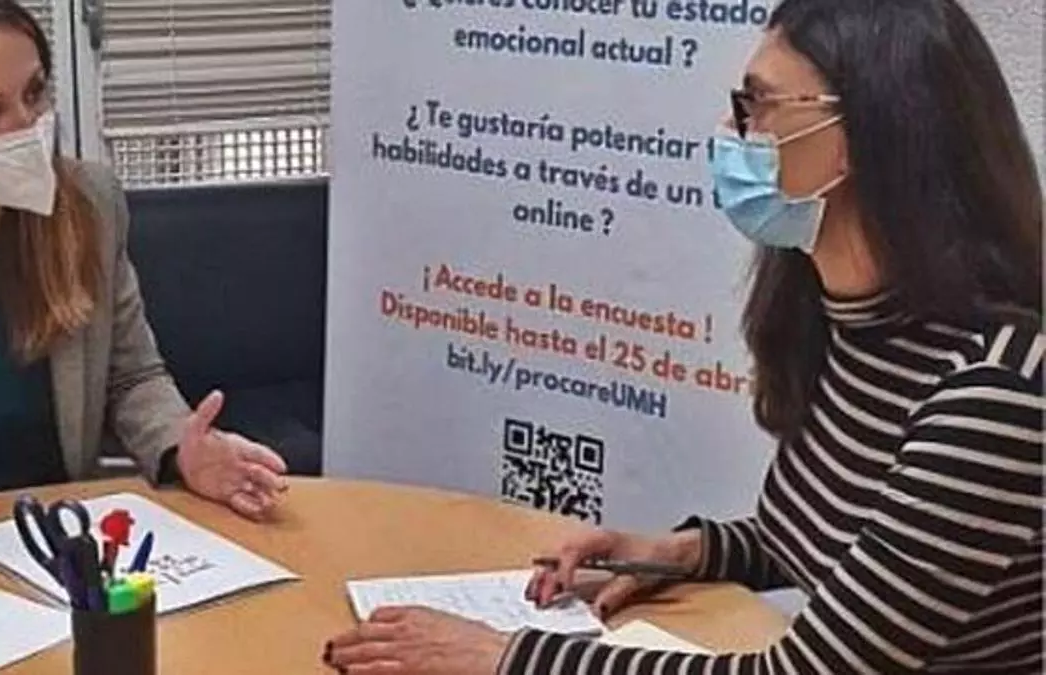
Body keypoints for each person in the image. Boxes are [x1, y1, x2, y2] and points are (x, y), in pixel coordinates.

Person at [325, 0, 1044, 672]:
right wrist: (678, 553)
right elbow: (833, 545)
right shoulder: (842, 318)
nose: (732, 129)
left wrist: (506, 656)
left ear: (865, 135)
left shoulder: (994, 391)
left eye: (757, 104)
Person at [0, 0, 290, 591]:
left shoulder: (90, 204)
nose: (26, 128)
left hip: (62, 556)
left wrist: (180, 448)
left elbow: (131, 376)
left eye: (33, 94)